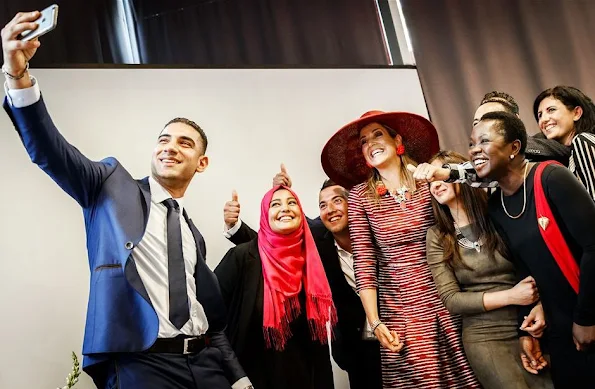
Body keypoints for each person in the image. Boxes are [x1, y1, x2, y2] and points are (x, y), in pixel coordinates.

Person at [1, 11, 251, 389]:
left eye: (184, 143)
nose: (170, 147)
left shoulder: (191, 232)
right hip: (141, 366)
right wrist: (18, 77)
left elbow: (208, 314)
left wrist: (237, 376)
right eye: (164, 139)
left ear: (202, 162)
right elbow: (51, 152)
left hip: (206, 365)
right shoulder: (109, 183)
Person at [321, 110, 480, 388]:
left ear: (397, 141)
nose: (370, 144)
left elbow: (459, 221)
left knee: (468, 378)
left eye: (377, 135)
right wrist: (375, 321)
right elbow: (365, 261)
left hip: (447, 294)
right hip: (401, 309)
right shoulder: (360, 197)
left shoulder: (427, 178)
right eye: (363, 141)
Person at [223, 169, 383, 389]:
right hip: (358, 353)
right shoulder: (318, 244)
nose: (331, 210)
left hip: (402, 339)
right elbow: (273, 245)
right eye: (323, 205)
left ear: (353, 204)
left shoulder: (383, 234)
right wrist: (236, 228)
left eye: (338, 201)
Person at [470, 111, 595, 387]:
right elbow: (524, 270)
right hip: (559, 327)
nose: (474, 150)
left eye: (484, 141)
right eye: (471, 144)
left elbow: (593, 247)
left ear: (514, 147)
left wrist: (586, 318)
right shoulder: (496, 205)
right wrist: (526, 331)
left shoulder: (551, 177)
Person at [425, 150, 554, 389]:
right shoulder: (437, 236)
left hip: (530, 324)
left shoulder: (499, 212)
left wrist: (539, 306)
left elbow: (535, 265)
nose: (435, 184)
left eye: (441, 175)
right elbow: (452, 300)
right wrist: (511, 296)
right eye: (430, 181)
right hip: (485, 337)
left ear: (459, 175)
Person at [214, 186, 336, 389]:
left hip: (304, 379)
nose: (285, 209)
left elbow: (317, 347)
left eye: (292, 202)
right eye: (275, 204)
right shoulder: (242, 257)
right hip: (250, 380)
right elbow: (210, 318)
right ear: (265, 214)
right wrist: (235, 376)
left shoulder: (312, 261)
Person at [411, 90, 571, 186]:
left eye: (492, 120)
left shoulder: (546, 147)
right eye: (477, 123)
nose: (482, 128)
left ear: (516, 121)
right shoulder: (495, 188)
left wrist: (446, 173)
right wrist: (443, 173)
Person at [533, 86, 595, 200]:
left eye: (551, 110)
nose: (544, 120)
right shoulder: (562, 156)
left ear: (576, 113)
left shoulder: (583, 141)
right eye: (540, 115)